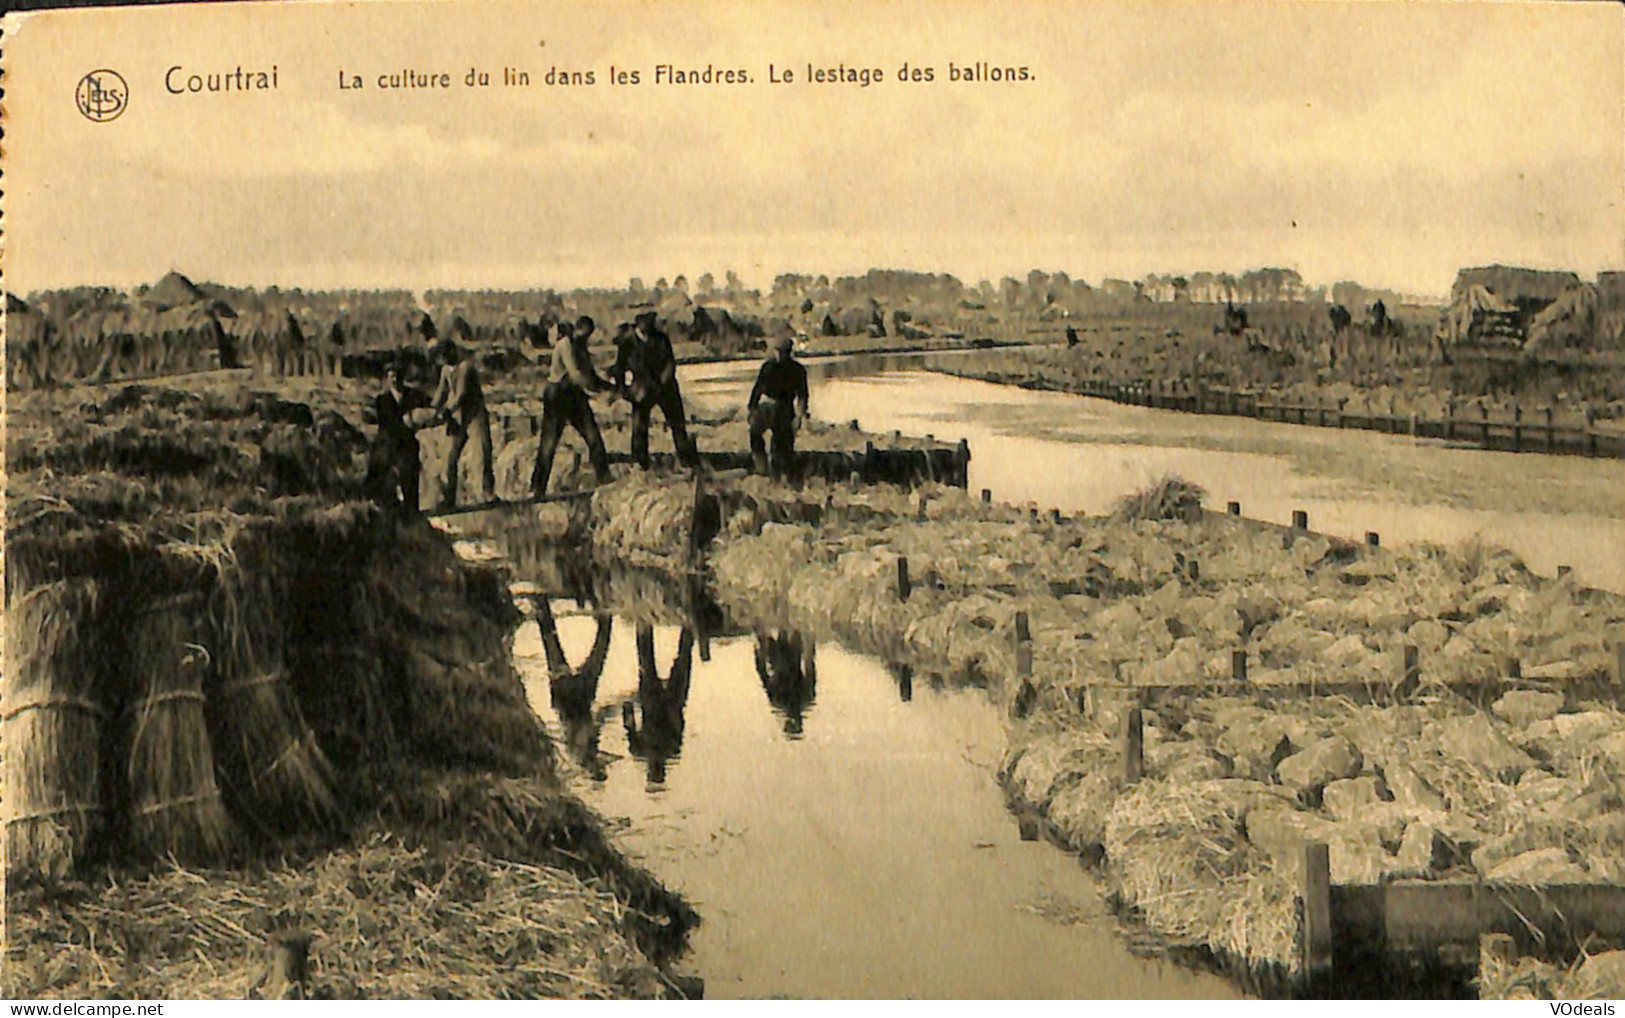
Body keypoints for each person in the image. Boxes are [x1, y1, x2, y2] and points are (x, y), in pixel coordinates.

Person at [532, 315, 614, 496]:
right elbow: (575, 373)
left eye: (588, 336)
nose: (585, 339)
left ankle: (605, 478)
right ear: (577, 330)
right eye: (584, 335)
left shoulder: (581, 347)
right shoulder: (565, 345)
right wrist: (596, 392)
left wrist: (612, 387)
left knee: (593, 435)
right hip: (557, 395)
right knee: (549, 443)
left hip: (574, 394)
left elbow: (590, 375)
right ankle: (537, 488)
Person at [535, 599, 614, 781]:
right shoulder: (586, 751)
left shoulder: (578, 753)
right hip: (581, 695)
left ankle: (541, 606)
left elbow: (582, 726)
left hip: (567, 698)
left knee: (553, 646)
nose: (599, 765)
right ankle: (604, 610)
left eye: (598, 769)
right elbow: (592, 724)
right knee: (596, 649)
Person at [612, 310, 699, 471]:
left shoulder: (661, 339)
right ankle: (640, 463)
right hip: (642, 389)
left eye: (651, 320)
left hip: (666, 387)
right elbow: (619, 369)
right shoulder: (627, 343)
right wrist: (624, 391)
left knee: (678, 425)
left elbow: (670, 364)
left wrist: (660, 385)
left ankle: (686, 462)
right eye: (645, 320)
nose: (649, 323)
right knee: (639, 427)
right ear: (638, 321)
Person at [622, 624, 695, 788]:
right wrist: (627, 708)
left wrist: (627, 708)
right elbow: (629, 726)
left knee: (675, 659)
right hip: (661, 703)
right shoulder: (644, 751)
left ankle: (645, 621)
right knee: (650, 658)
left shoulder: (668, 750)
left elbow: (630, 727)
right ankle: (644, 621)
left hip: (662, 703)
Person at [430, 339, 495, 509]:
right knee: (449, 458)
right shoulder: (446, 370)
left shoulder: (465, 367)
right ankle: (448, 498)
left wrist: (445, 410)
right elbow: (440, 393)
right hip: (458, 417)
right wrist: (431, 408)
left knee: (481, 454)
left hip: (474, 415)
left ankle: (488, 494)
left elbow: (460, 395)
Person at [363, 361, 433, 514]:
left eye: (398, 376)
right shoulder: (382, 400)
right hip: (389, 445)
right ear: (387, 380)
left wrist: (422, 416)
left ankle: (412, 513)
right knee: (383, 481)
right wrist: (405, 422)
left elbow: (431, 405)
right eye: (392, 377)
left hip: (408, 446)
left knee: (411, 483)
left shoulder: (413, 395)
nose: (395, 380)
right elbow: (386, 425)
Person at [747, 332, 810, 480]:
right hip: (768, 408)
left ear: (790, 352)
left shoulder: (797, 370)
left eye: (784, 353)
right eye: (780, 352)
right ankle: (761, 465)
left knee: (782, 447)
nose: (781, 356)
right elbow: (756, 391)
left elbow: (803, 396)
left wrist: (799, 417)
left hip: (785, 410)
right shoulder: (768, 367)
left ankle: (779, 472)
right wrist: (752, 410)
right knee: (755, 433)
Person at [754, 628, 817, 737]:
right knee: (789, 628)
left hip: (780, 656)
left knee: (783, 628)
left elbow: (763, 674)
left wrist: (759, 653)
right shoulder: (805, 698)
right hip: (787, 655)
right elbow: (810, 667)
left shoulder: (780, 701)